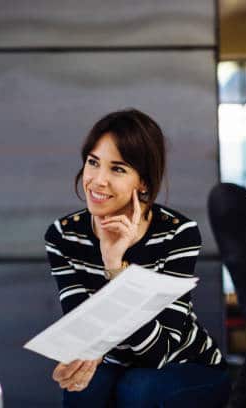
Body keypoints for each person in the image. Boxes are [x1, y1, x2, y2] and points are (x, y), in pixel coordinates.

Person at [44, 109, 231, 407]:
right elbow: (84, 329)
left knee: (139, 387)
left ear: (142, 182)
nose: (97, 181)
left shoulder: (177, 233)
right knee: (83, 389)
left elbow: (156, 353)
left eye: (117, 169)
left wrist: (115, 267)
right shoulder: (64, 235)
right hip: (115, 362)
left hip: (186, 363)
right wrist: (81, 358)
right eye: (93, 163)